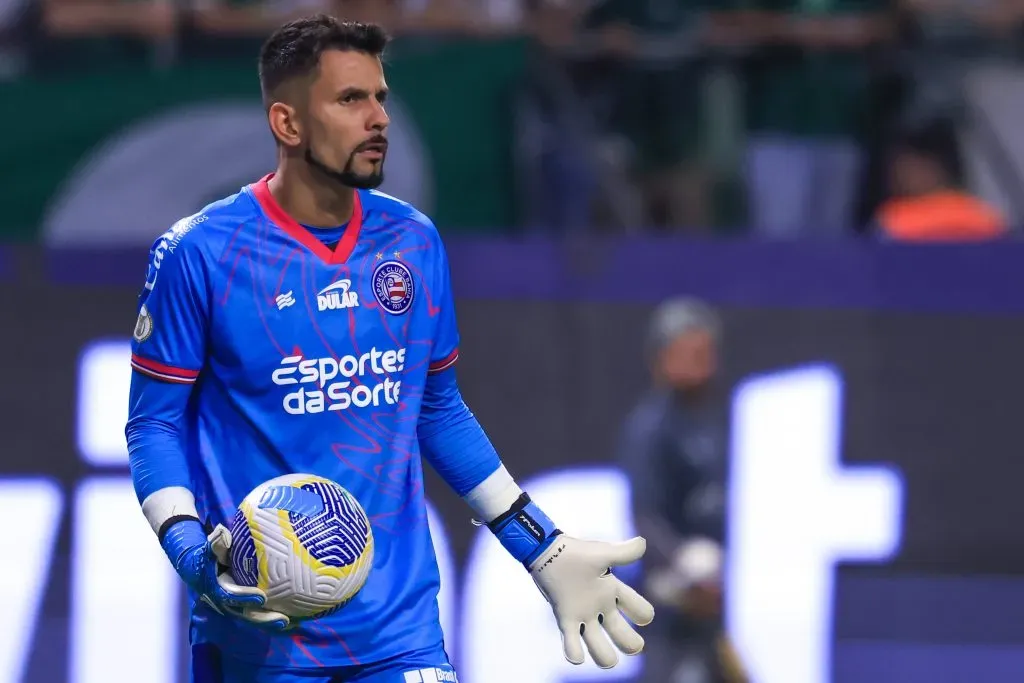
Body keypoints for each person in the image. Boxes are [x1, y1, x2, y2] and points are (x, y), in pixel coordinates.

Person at [124, 15, 654, 683]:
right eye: (350, 100)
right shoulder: (200, 253)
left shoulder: (413, 241)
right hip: (261, 634)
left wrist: (539, 544)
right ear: (287, 124)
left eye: (380, 96)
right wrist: (189, 551)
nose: (378, 117)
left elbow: (435, 407)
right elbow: (154, 423)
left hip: (401, 633)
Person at [618, 298, 746, 683]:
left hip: (727, 606)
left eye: (705, 350)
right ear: (662, 357)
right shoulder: (651, 430)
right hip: (678, 605)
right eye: (688, 351)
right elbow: (646, 518)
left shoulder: (724, 420)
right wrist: (689, 570)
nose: (700, 361)